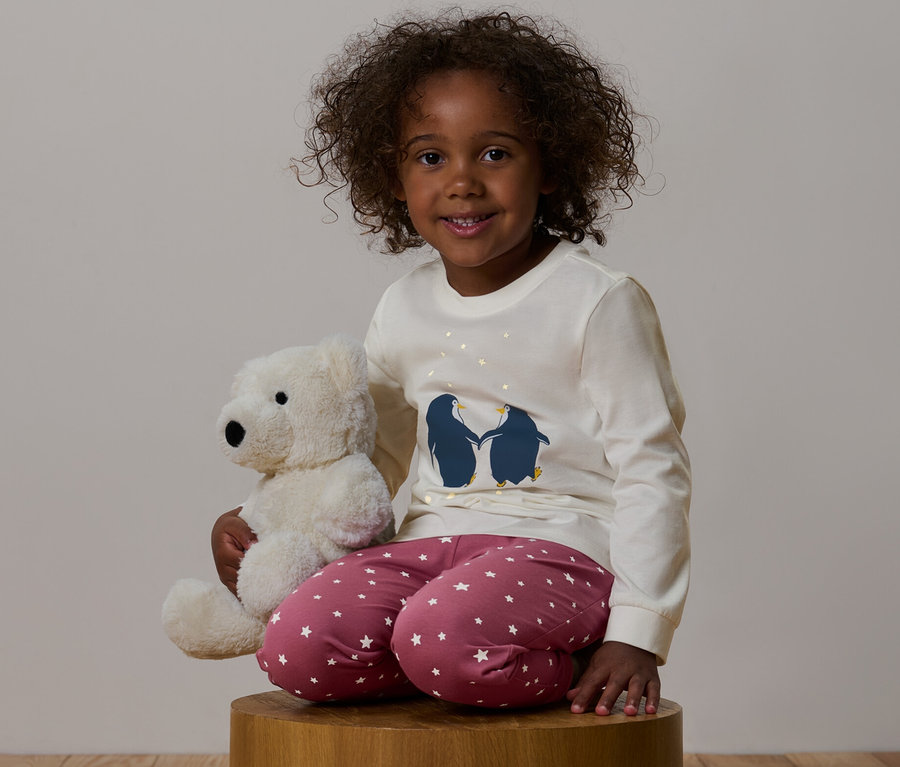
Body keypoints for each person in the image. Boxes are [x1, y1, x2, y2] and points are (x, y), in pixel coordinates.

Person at [212, 10, 690, 717]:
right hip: (431, 551)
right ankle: (445, 660)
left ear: (551, 164)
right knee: (294, 645)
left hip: (563, 552)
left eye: (494, 153)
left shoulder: (596, 301)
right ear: (394, 176)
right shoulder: (403, 305)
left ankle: (547, 658)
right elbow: (370, 457)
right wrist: (266, 525)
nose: (462, 182)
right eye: (431, 158)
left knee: (439, 634)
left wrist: (638, 632)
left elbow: (654, 468)